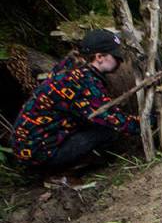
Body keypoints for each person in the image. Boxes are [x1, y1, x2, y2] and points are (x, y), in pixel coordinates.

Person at [12, 29, 140, 172]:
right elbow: (113, 119)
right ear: (99, 57)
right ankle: (62, 172)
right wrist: (148, 122)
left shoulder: (70, 65)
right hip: (38, 154)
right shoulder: (82, 80)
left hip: (29, 146)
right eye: (116, 56)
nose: (120, 60)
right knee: (106, 130)